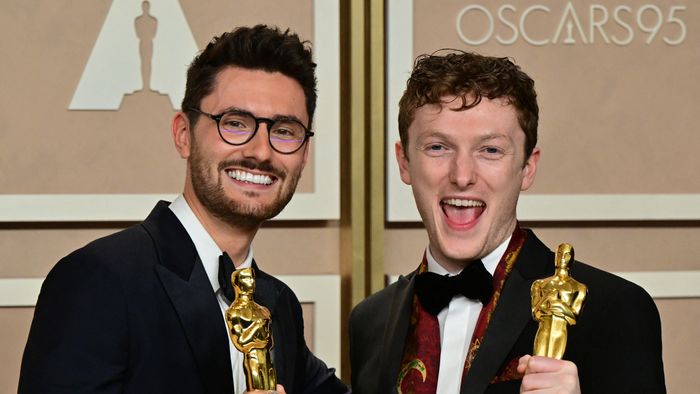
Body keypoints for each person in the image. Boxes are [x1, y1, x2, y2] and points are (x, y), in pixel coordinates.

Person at [19, 25, 349, 394]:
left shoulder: (278, 303)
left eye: (285, 131)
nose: (260, 151)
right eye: (235, 124)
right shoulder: (98, 280)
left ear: (304, 155)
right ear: (183, 134)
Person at [349, 51, 665, 393]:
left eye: (490, 150)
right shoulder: (370, 321)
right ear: (404, 162)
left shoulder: (612, 309)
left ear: (527, 168)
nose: (463, 175)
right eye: (438, 147)